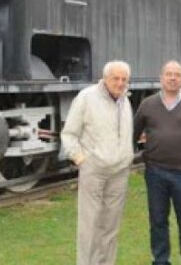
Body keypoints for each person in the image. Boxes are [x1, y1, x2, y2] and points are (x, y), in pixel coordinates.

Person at [134, 60, 181, 265]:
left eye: (177, 74)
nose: (173, 78)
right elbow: (133, 134)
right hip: (155, 173)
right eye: (169, 74)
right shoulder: (147, 104)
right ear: (161, 78)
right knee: (158, 221)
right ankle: (160, 260)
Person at [61, 60, 134, 265]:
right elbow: (69, 133)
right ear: (105, 78)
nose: (120, 83)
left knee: (111, 226)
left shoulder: (124, 99)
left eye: (124, 79)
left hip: (119, 172)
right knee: (89, 225)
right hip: (94, 170)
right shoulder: (87, 97)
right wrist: (80, 159)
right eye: (116, 78)